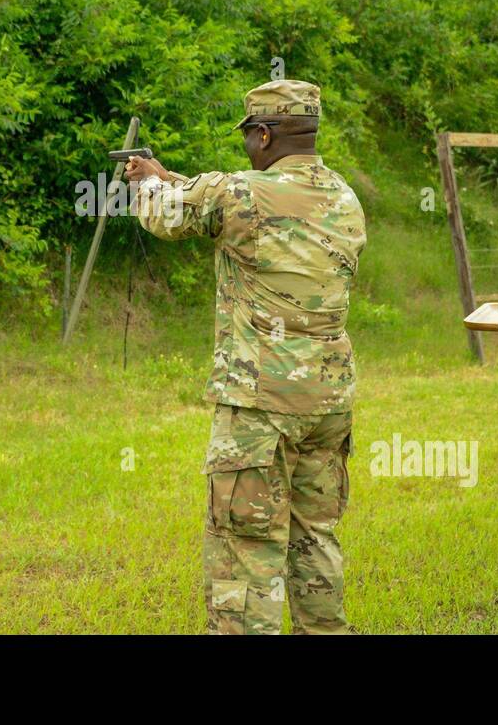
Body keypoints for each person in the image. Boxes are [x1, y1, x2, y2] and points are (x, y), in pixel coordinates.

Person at [123, 79, 366, 634]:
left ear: (263, 134)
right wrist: (170, 178)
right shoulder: (343, 197)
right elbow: (226, 204)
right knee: (315, 541)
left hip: (260, 406)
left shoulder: (240, 195)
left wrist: (146, 185)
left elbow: (170, 216)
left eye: (249, 137)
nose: (247, 149)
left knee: (244, 555)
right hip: (328, 405)